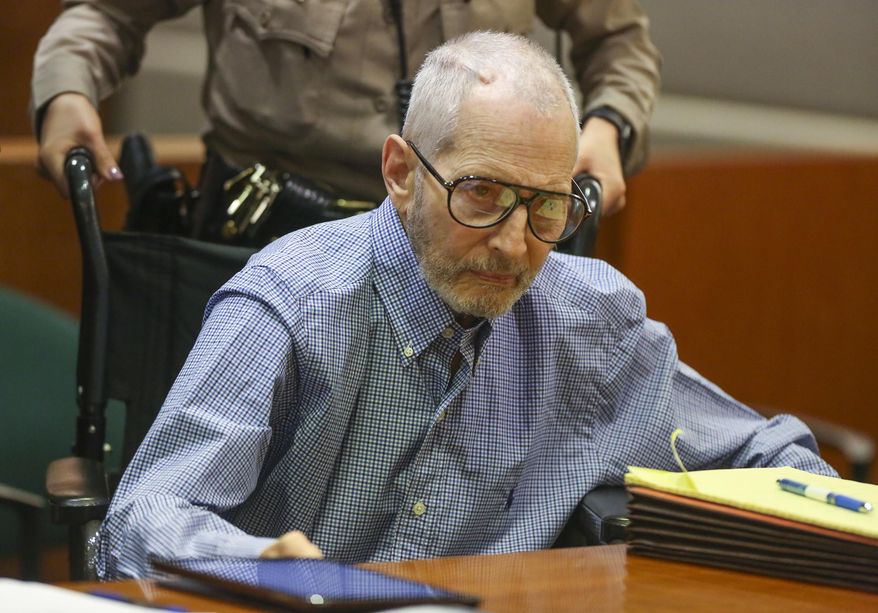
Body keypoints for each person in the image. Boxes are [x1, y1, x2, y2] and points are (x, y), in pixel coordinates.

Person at [97, 31, 833, 579]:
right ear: (400, 172)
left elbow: (771, 457)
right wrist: (258, 567)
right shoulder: (294, 302)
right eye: (481, 193)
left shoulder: (589, 325)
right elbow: (141, 518)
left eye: (547, 207)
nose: (514, 245)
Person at [31, 0, 660, 227]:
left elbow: (620, 44)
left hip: (466, 235)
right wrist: (66, 95)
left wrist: (608, 127)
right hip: (263, 238)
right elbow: (105, 14)